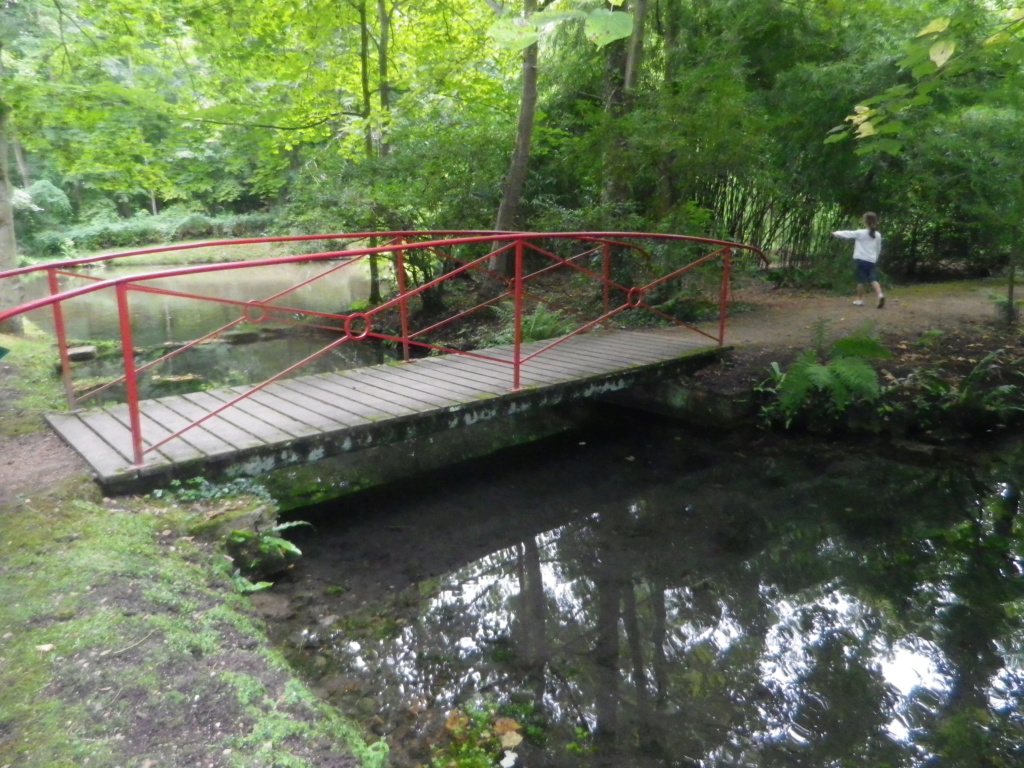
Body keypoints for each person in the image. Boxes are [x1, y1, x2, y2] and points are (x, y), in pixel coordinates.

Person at [833, 212, 885, 309]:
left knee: (861, 280)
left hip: (861, 260)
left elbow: (847, 233)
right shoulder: (878, 235)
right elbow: (878, 248)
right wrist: (875, 258)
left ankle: (859, 300)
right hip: (871, 260)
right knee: (873, 279)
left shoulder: (860, 233)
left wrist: (836, 233)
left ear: (865, 221)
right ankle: (880, 295)